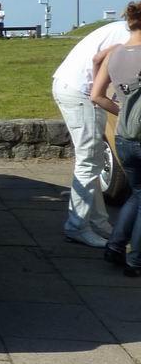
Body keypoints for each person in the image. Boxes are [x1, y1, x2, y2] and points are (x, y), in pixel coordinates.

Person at [53, 17, 131, 247]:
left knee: (93, 160)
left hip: (74, 87)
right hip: (79, 91)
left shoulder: (124, 28)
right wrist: (98, 94)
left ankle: (99, 222)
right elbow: (99, 60)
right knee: (88, 162)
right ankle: (76, 226)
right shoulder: (130, 36)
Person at [90, 3, 141, 276]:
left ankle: (115, 246)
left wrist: (124, 112)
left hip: (123, 136)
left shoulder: (115, 54)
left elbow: (96, 96)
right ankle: (135, 261)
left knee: (137, 193)